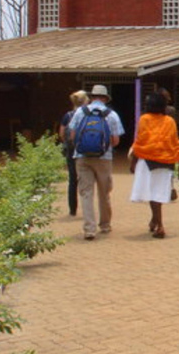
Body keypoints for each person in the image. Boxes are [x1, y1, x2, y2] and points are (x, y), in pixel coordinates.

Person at [68, 84, 124, 241]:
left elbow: (72, 136)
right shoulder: (111, 114)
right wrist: (102, 146)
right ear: (105, 98)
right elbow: (116, 140)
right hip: (104, 158)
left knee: (86, 193)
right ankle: (105, 225)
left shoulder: (80, 112)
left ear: (91, 97)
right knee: (104, 192)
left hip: (82, 157)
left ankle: (89, 229)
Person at [129, 92, 179, 239]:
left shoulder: (144, 119)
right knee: (157, 194)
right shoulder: (170, 121)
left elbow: (140, 140)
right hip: (166, 161)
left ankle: (160, 226)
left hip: (148, 161)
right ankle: (154, 220)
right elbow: (175, 142)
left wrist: (133, 161)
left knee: (154, 195)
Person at [58, 90, 89, 216]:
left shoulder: (68, 115)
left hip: (71, 149)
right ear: (85, 101)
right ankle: (87, 209)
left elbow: (61, 133)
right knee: (86, 180)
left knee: (72, 179)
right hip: (85, 149)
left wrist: (68, 142)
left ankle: (72, 209)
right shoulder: (88, 115)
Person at [157, 87, 179, 201]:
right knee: (169, 168)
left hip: (156, 143)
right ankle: (169, 188)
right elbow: (173, 129)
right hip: (168, 143)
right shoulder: (171, 110)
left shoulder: (151, 111)